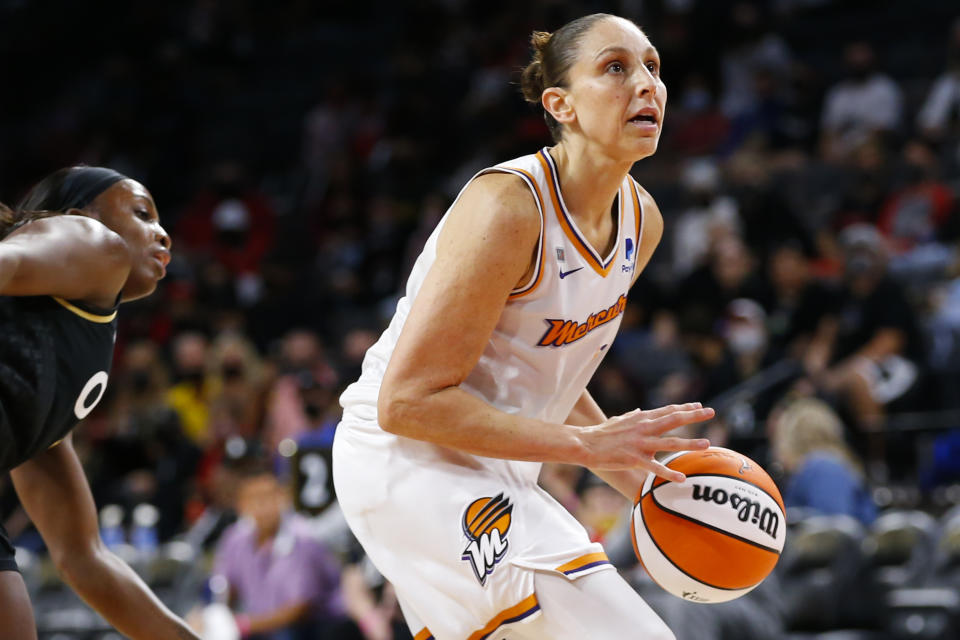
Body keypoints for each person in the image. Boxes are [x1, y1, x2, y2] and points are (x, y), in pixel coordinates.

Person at [333, 14, 714, 640]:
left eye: (652, 66)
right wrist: (589, 449)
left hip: (497, 467)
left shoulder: (641, 222)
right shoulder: (509, 206)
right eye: (616, 68)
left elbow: (550, 377)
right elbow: (407, 403)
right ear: (559, 103)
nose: (646, 84)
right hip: (406, 460)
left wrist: (651, 487)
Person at [0, 166, 198, 639]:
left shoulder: (61, 344)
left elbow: (85, 559)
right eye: (142, 213)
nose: (164, 235)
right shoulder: (96, 244)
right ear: (75, 216)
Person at [210, 461, 349, 639]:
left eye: (269, 497)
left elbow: (300, 609)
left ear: (284, 497)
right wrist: (216, 618)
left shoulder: (303, 537)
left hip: (314, 626)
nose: (263, 506)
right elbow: (225, 588)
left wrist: (244, 625)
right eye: (254, 499)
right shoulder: (235, 539)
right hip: (261, 625)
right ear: (241, 505)